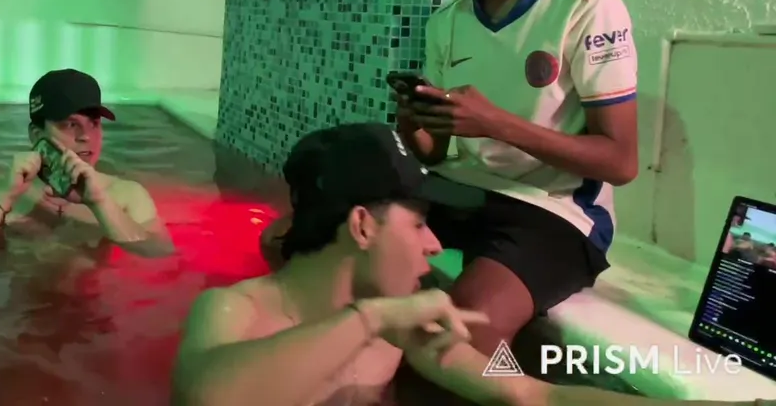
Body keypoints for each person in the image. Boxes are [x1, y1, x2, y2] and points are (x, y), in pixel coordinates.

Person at [176, 124, 769, 406]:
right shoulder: (231, 311)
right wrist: (370, 320)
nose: (436, 244)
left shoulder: (406, 331)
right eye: (418, 224)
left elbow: (532, 396)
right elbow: (207, 400)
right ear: (361, 226)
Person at [395, 0, 640, 356]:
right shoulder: (447, 23)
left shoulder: (586, 8)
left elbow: (621, 163)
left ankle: (529, 389)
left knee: (463, 335)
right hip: (463, 189)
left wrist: (496, 124)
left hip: (554, 209)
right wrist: (412, 119)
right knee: (317, 244)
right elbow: (435, 154)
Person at [0, 68, 174, 258]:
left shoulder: (126, 195)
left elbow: (160, 253)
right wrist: (6, 195)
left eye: (94, 123)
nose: (86, 136)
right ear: (36, 135)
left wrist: (99, 203)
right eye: (70, 124)